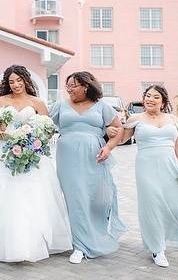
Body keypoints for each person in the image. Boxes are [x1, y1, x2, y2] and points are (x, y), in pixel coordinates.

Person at [0, 65, 72, 262]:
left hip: (31, 155)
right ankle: (1, 242)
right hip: (3, 153)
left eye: (19, 80)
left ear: (26, 80)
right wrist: (9, 138)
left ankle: (30, 244)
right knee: (2, 197)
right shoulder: (1, 101)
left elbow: (48, 130)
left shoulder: (38, 102)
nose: (16, 85)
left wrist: (31, 142)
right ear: (6, 84)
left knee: (32, 198)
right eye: (11, 81)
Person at [50, 71, 126, 264]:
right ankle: (79, 246)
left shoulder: (102, 106)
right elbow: (45, 126)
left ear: (86, 86)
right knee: (75, 199)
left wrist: (108, 147)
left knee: (96, 198)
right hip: (67, 158)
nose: (69, 89)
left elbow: (119, 130)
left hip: (95, 157)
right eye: (68, 85)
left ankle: (96, 234)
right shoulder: (60, 105)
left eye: (73, 85)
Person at [108, 85, 178, 268]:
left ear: (163, 102)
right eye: (148, 96)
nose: (150, 99)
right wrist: (112, 131)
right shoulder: (136, 118)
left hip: (170, 168)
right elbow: (122, 139)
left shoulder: (172, 119)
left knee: (171, 205)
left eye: (155, 97)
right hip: (146, 168)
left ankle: (163, 236)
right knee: (151, 205)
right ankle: (157, 248)